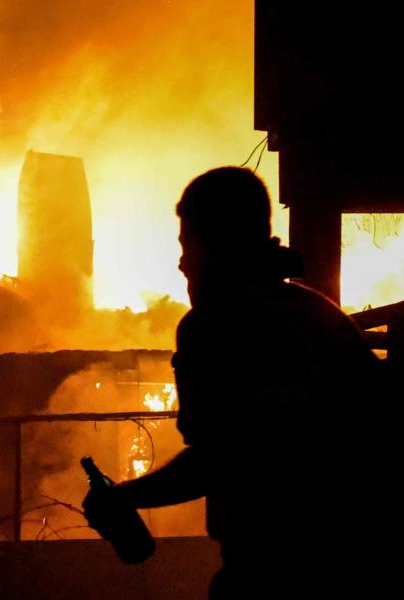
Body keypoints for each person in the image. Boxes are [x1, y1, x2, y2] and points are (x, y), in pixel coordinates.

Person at [83, 167, 379, 597]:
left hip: (273, 568)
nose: (182, 263)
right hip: (356, 555)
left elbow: (220, 457)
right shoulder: (319, 314)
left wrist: (125, 498)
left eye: (188, 245)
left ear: (214, 247)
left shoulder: (214, 325)